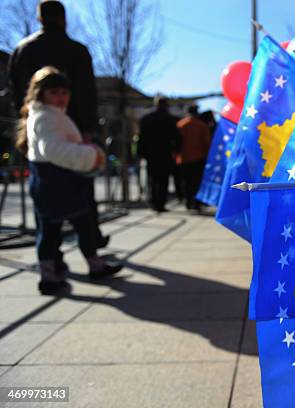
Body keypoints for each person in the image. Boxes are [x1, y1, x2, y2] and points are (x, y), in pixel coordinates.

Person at [8, 0, 108, 248]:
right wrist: (88, 131)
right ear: (63, 19)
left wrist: (23, 125)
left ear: (40, 18)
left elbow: (14, 91)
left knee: (45, 201)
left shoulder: (22, 49)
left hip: (33, 130)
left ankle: (52, 258)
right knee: (82, 196)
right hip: (73, 132)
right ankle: (89, 246)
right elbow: (86, 92)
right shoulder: (76, 50)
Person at [15, 67, 122, 295]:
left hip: (60, 180)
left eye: (64, 92)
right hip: (55, 180)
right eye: (54, 92)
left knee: (74, 225)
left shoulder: (52, 115)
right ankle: (50, 276)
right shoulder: (45, 117)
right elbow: (53, 149)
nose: (61, 97)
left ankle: (89, 265)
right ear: (41, 93)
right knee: (55, 230)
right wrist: (91, 154)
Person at [137, 96, 180, 212]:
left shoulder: (147, 119)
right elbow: (177, 138)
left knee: (152, 178)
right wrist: (176, 150)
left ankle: (154, 201)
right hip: (165, 153)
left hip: (151, 154)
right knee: (163, 180)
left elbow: (141, 138)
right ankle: (160, 202)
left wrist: (140, 153)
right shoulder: (171, 119)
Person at [177, 105, 212, 211]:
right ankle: (196, 203)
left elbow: (176, 143)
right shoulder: (201, 125)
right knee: (196, 182)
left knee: (186, 182)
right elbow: (206, 142)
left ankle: (188, 202)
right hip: (198, 158)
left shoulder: (181, 125)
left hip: (183, 158)